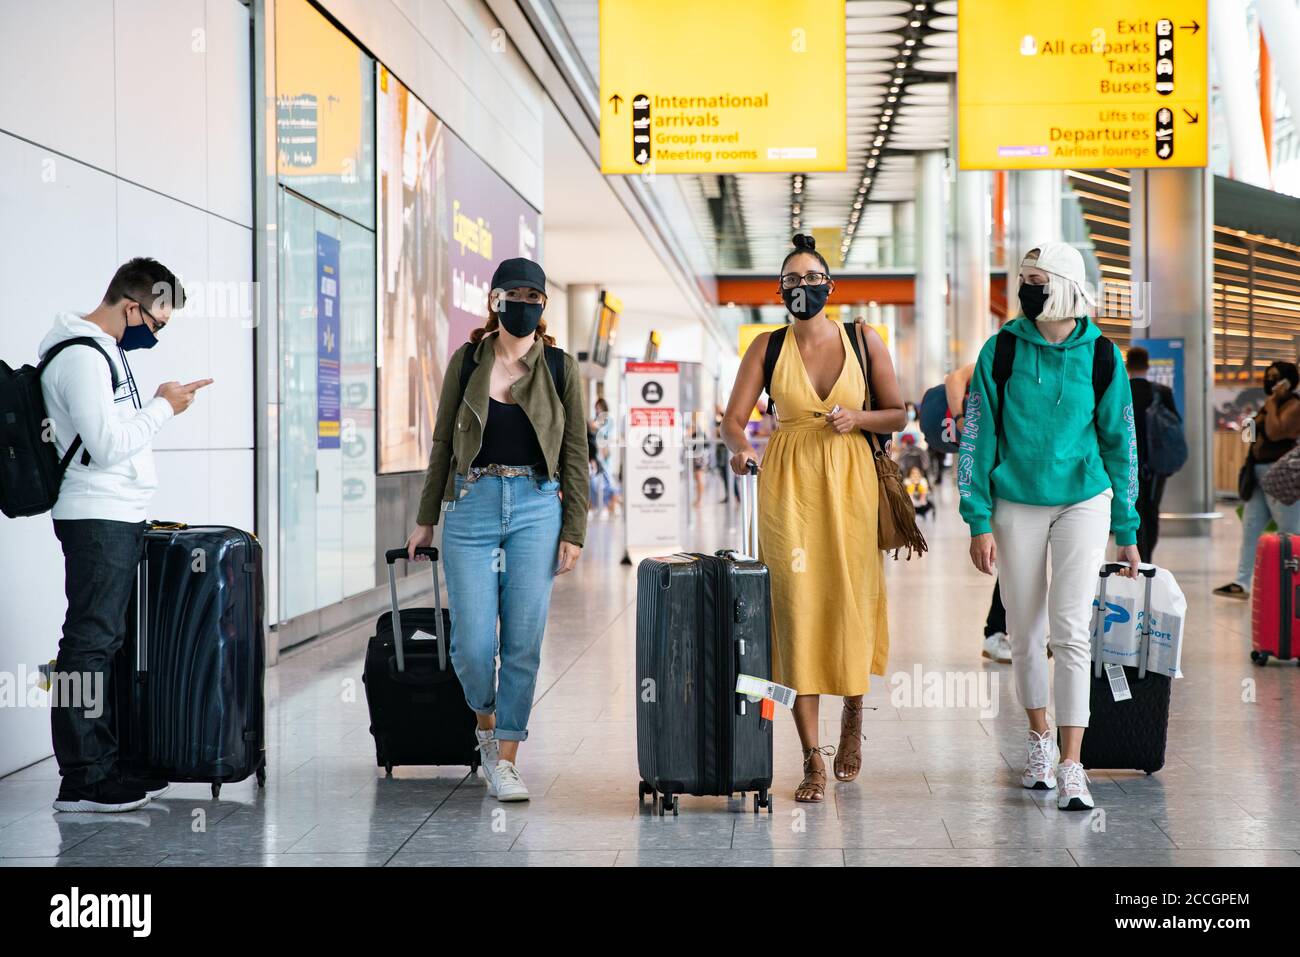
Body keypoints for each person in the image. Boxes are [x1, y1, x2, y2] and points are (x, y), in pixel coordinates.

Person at [721, 233, 906, 804]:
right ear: (780, 290)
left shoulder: (862, 338)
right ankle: (811, 757)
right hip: (790, 487)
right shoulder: (767, 347)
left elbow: (898, 414)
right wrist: (738, 447)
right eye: (792, 281)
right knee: (796, 613)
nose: (803, 289)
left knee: (849, 600)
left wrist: (861, 416)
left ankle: (852, 708)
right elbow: (733, 418)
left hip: (852, 484)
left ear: (831, 286)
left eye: (811, 279)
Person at [959, 242, 1140, 812]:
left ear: (1065, 284)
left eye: (1037, 279)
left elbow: (1121, 444)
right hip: (1016, 500)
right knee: (1025, 631)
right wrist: (977, 518)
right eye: (1024, 279)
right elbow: (977, 437)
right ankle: (1038, 737)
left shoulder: (1104, 357)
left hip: (1083, 498)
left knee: (1070, 629)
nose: (1027, 288)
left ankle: (1071, 762)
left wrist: (1128, 528)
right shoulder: (1002, 350)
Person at [406, 257, 587, 802]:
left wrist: (573, 527)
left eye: (536, 296)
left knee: (524, 640)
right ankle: (485, 728)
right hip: (471, 505)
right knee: (472, 643)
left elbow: (575, 451)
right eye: (517, 295)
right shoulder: (467, 362)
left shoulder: (560, 368)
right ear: (495, 300)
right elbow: (443, 442)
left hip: (536, 506)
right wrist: (425, 518)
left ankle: (507, 757)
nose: (526, 304)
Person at [41, 258, 211, 812]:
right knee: (87, 645)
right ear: (132, 306)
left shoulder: (105, 352)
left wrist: (161, 401)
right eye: (157, 323)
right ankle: (82, 779)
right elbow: (108, 444)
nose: (156, 334)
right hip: (95, 516)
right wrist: (165, 406)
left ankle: (106, 765)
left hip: (115, 514)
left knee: (105, 643)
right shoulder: (82, 357)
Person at [944, 360, 1012, 665]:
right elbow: (955, 378)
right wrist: (962, 418)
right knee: (1013, 558)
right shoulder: (1002, 350)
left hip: (1021, 468)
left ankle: (1009, 631)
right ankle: (997, 631)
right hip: (998, 469)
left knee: (1018, 559)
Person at [1214, 361, 1300, 600]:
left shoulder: (1294, 405)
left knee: (1290, 531)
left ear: (1288, 380)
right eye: (1269, 376)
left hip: (1282, 476)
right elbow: (1250, 433)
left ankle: (1292, 583)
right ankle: (1242, 583)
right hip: (1258, 473)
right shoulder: (1268, 405)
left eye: (1277, 377)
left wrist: (1272, 404)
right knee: (1251, 530)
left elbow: (1275, 431)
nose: (1271, 382)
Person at [1126, 346, 1181, 562]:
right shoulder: (1162, 392)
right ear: (1147, 366)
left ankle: (1135, 553)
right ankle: (1147, 558)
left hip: (1126, 462)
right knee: (1151, 510)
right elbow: (1176, 424)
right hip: (1156, 464)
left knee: (1132, 508)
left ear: (1128, 366)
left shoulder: (1121, 390)